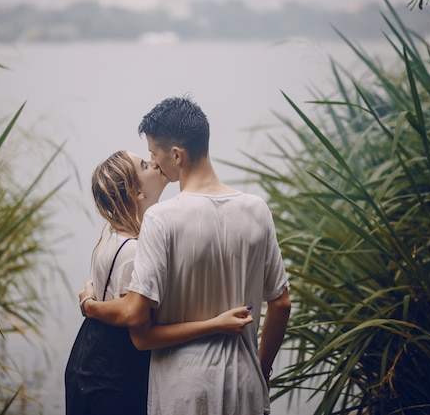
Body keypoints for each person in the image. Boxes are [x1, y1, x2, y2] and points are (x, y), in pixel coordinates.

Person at [80, 96, 291, 415]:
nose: (153, 163)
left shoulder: (160, 219)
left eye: (153, 154)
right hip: (246, 388)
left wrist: (91, 306)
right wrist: (261, 370)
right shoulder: (257, 209)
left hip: (183, 391)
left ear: (176, 155)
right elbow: (282, 304)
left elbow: (141, 335)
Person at [65, 150, 254, 415]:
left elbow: (112, 299)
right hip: (112, 379)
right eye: (144, 165)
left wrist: (89, 303)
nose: (154, 163)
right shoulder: (133, 251)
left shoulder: (110, 234)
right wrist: (216, 325)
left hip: (91, 362)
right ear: (137, 193)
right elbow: (143, 336)